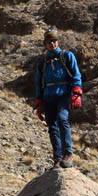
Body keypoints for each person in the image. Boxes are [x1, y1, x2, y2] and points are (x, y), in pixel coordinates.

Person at [34, 29, 83, 168]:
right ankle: (57, 157)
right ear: (45, 44)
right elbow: (38, 83)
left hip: (64, 94)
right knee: (52, 125)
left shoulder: (67, 56)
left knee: (62, 118)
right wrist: (38, 101)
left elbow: (76, 75)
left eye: (54, 41)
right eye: (49, 41)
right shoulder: (42, 62)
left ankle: (68, 154)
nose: (52, 44)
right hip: (48, 96)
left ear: (58, 41)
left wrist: (77, 92)